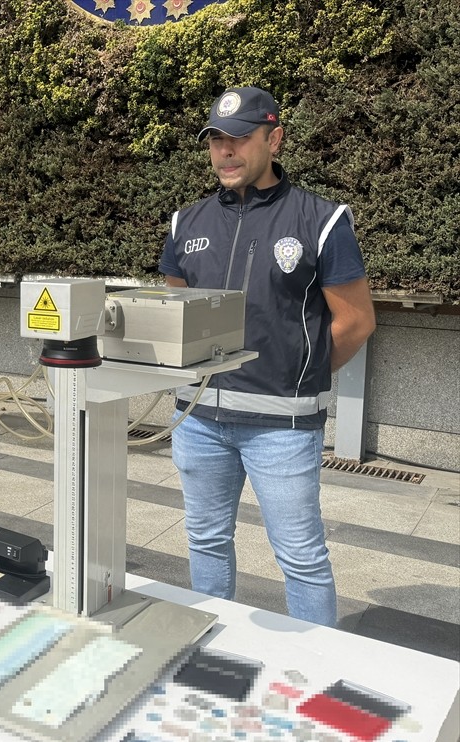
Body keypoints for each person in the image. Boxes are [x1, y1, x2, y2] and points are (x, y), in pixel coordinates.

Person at [159, 87, 376, 627]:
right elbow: (175, 312)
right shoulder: (187, 222)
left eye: (238, 139)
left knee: (300, 558)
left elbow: (356, 321)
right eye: (216, 141)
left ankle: (318, 666)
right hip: (197, 420)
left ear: (273, 139)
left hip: (282, 426)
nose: (225, 152)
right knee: (207, 542)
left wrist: (301, 377)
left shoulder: (321, 219)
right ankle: (212, 640)